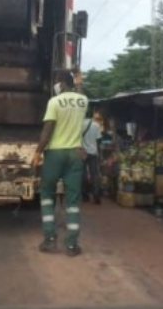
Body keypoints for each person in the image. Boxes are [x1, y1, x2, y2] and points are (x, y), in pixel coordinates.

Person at [32, 70, 88, 257]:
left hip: (55, 154)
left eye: (56, 81)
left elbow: (47, 130)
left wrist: (38, 152)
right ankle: (72, 245)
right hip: (75, 154)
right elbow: (80, 92)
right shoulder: (83, 101)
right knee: (72, 200)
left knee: (47, 194)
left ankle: (50, 239)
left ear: (61, 83)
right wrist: (79, 80)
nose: (55, 85)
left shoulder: (54, 102)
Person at [81, 113, 103, 204]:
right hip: (93, 152)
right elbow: (98, 140)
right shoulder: (96, 125)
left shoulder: (79, 124)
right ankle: (96, 194)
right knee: (95, 174)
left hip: (82, 153)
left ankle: (85, 195)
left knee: (83, 174)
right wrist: (99, 153)